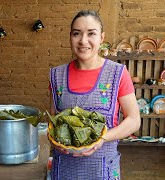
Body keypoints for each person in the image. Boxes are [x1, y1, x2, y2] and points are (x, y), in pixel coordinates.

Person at [49, 10, 141, 179]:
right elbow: (53, 121)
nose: (83, 41)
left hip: (102, 170)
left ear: (102, 38)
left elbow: (134, 120)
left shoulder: (117, 74)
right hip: (64, 171)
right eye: (77, 34)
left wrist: (103, 138)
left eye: (91, 33)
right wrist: (55, 141)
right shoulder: (57, 76)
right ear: (70, 37)